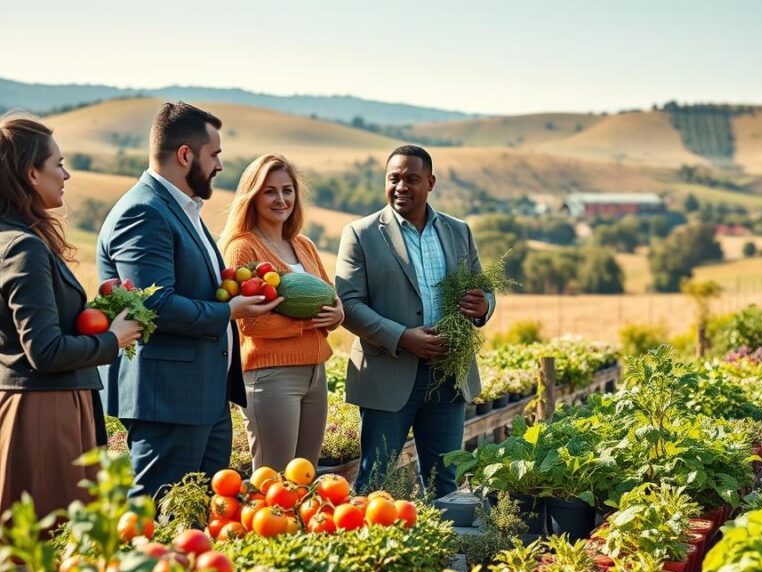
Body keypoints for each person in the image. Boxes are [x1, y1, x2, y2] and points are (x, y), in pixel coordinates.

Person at [97, 102, 279, 498]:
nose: (219, 166)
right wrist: (229, 310)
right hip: (168, 398)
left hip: (202, 394)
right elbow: (155, 305)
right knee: (158, 514)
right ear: (185, 155)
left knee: (202, 518)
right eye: (214, 155)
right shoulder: (143, 212)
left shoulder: (183, 209)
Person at [0, 114, 141, 518]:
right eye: (58, 164)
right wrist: (113, 339)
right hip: (45, 413)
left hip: (42, 404)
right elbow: (44, 350)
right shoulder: (23, 249)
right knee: (56, 536)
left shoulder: (11, 240)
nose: (67, 174)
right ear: (30, 173)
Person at [336, 145, 495, 497]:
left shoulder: (459, 231)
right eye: (394, 179)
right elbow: (348, 303)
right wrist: (402, 337)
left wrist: (484, 305)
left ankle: (443, 551)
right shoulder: (361, 234)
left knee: (446, 484)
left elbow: (483, 287)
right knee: (374, 482)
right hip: (387, 375)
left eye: (412, 179)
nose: (401, 187)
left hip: (448, 376)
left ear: (431, 182)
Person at [220, 154, 343, 470]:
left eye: (287, 190)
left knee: (304, 476)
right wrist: (305, 325)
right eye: (269, 191)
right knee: (274, 480)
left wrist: (338, 315)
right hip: (272, 377)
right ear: (253, 196)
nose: (281, 199)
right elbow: (251, 322)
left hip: (316, 372)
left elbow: (329, 296)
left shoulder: (303, 244)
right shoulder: (242, 247)